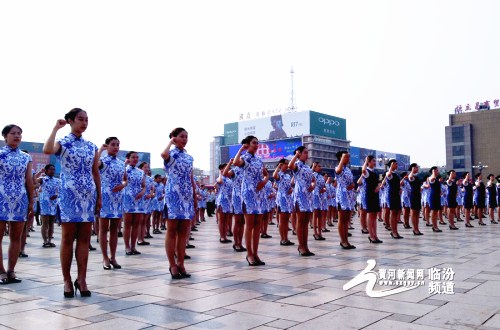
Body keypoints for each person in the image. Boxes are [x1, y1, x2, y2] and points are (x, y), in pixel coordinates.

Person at [43, 108, 101, 297]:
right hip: (69, 195)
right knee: (68, 238)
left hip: (88, 196)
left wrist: (99, 196)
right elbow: (47, 149)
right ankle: (67, 280)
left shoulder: (91, 146)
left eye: (86, 120)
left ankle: (82, 279)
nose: (84, 123)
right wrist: (55, 128)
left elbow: (95, 172)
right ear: (70, 121)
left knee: (85, 239)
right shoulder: (64, 143)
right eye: (80, 119)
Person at [0, 125, 34, 284]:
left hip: (20, 199)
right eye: (13, 133)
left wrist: (31, 200)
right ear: (5, 136)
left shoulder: (26, 157)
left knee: (16, 237)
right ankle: (0, 271)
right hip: (1, 198)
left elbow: (28, 180)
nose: (17, 136)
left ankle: (11, 270)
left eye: (19, 133)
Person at [161, 127, 196, 279]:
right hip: (173, 195)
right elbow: (163, 154)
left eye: (186, 137)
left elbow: (191, 178)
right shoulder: (171, 154)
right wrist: (170, 142)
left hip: (187, 196)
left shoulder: (189, 157)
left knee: (184, 232)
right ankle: (172, 265)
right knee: (172, 230)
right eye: (182, 136)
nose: (185, 139)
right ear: (174, 138)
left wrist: (194, 196)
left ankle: (181, 263)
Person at [233, 136, 268, 265]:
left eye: (257, 143)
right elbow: (236, 163)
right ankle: (249, 254)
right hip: (248, 193)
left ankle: (256, 253)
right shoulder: (245, 158)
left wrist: (264, 182)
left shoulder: (259, 160)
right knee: (249, 224)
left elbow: (266, 174)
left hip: (259, 194)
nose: (256, 145)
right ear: (248, 144)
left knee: (257, 224)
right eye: (254, 143)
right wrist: (242, 148)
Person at [98, 137, 127, 270]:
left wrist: (123, 185)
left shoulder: (121, 163)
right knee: (104, 229)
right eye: (113, 145)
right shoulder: (102, 161)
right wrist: (100, 150)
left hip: (117, 198)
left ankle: (113, 257)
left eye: (117, 145)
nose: (116, 147)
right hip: (105, 197)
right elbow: (93, 164)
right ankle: (105, 258)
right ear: (107, 146)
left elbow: (125, 180)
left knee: (115, 229)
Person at [289, 146, 315, 256]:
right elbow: (290, 166)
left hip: (308, 195)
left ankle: (306, 246)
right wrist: (296, 155)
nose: (307, 154)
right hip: (300, 195)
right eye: (305, 152)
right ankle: (301, 246)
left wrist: (313, 185)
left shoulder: (308, 167)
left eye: (307, 152)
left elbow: (313, 180)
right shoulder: (297, 164)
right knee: (301, 220)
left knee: (306, 221)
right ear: (299, 153)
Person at [34, 164, 61, 248]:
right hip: (45, 204)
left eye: (53, 169)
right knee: (45, 223)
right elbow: (33, 180)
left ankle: (49, 240)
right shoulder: (43, 180)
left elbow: (61, 190)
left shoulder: (57, 180)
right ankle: (45, 241)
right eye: (50, 169)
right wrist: (39, 172)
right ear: (46, 170)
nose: (52, 171)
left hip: (53, 203)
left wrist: (56, 195)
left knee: (51, 223)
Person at [222, 159, 246, 252]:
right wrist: (229, 163)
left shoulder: (246, 169)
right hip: (237, 197)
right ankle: (236, 243)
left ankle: (240, 242)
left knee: (243, 222)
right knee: (238, 220)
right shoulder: (235, 170)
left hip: (246, 197)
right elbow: (225, 174)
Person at [335, 151, 356, 249]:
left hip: (349, 196)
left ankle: (346, 240)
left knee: (347, 219)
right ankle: (342, 240)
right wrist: (342, 159)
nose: (348, 159)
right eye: (346, 157)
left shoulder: (348, 169)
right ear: (341, 158)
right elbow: (338, 171)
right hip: (342, 196)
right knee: (342, 219)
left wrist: (352, 185)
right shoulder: (339, 167)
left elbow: (351, 182)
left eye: (348, 157)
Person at [273, 158, 294, 246]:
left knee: (286, 220)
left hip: (288, 198)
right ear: (281, 165)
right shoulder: (279, 174)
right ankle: (282, 239)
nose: (287, 165)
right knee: (282, 220)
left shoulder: (287, 176)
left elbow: (290, 186)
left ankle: (286, 238)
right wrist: (278, 166)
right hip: (282, 198)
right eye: (286, 164)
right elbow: (274, 176)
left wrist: (291, 189)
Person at [361, 156, 382, 243]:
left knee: (374, 216)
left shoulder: (375, 172)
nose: (375, 162)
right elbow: (363, 170)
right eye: (373, 161)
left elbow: (379, 182)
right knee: (370, 215)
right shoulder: (367, 172)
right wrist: (365, 161)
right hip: (369, 195)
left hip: (375, 195)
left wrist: (378, 186)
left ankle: (375, 235)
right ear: (368, 162)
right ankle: (371, 235)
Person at [383, 159, 403, 239]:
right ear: (391, 165)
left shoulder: (396, 174)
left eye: (396, 164)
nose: (396, 165)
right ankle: (393, 232)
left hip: (397, 194)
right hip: (391, 195)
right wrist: (390, 167)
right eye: (395, 164)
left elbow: (397, 184)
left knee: (396, 213)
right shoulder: (389, 173)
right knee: (393, 213)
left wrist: (400, 188)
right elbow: (388, 175)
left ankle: (396, 231)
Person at [407, 163, 423, 235]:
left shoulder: (416, 176)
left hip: (418, 195)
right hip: (413, 195)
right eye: (416, 167)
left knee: (417, 212)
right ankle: (415, 229)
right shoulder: (411, 176)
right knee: (413, 212)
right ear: (413, 168)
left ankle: (417, 228)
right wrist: (412, 171)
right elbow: (410, 177)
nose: (418, 169)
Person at [427, 166, 442, 232]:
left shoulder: (436, 179)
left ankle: (435, 226)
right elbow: (431, 180)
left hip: (437, 196)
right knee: (434, 211)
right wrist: (433, 173)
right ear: (433, 171)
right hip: (433, 196)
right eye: (436, 170)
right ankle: (434, 226)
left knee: (436, 211)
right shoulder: (431, 178)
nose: (438, 172)